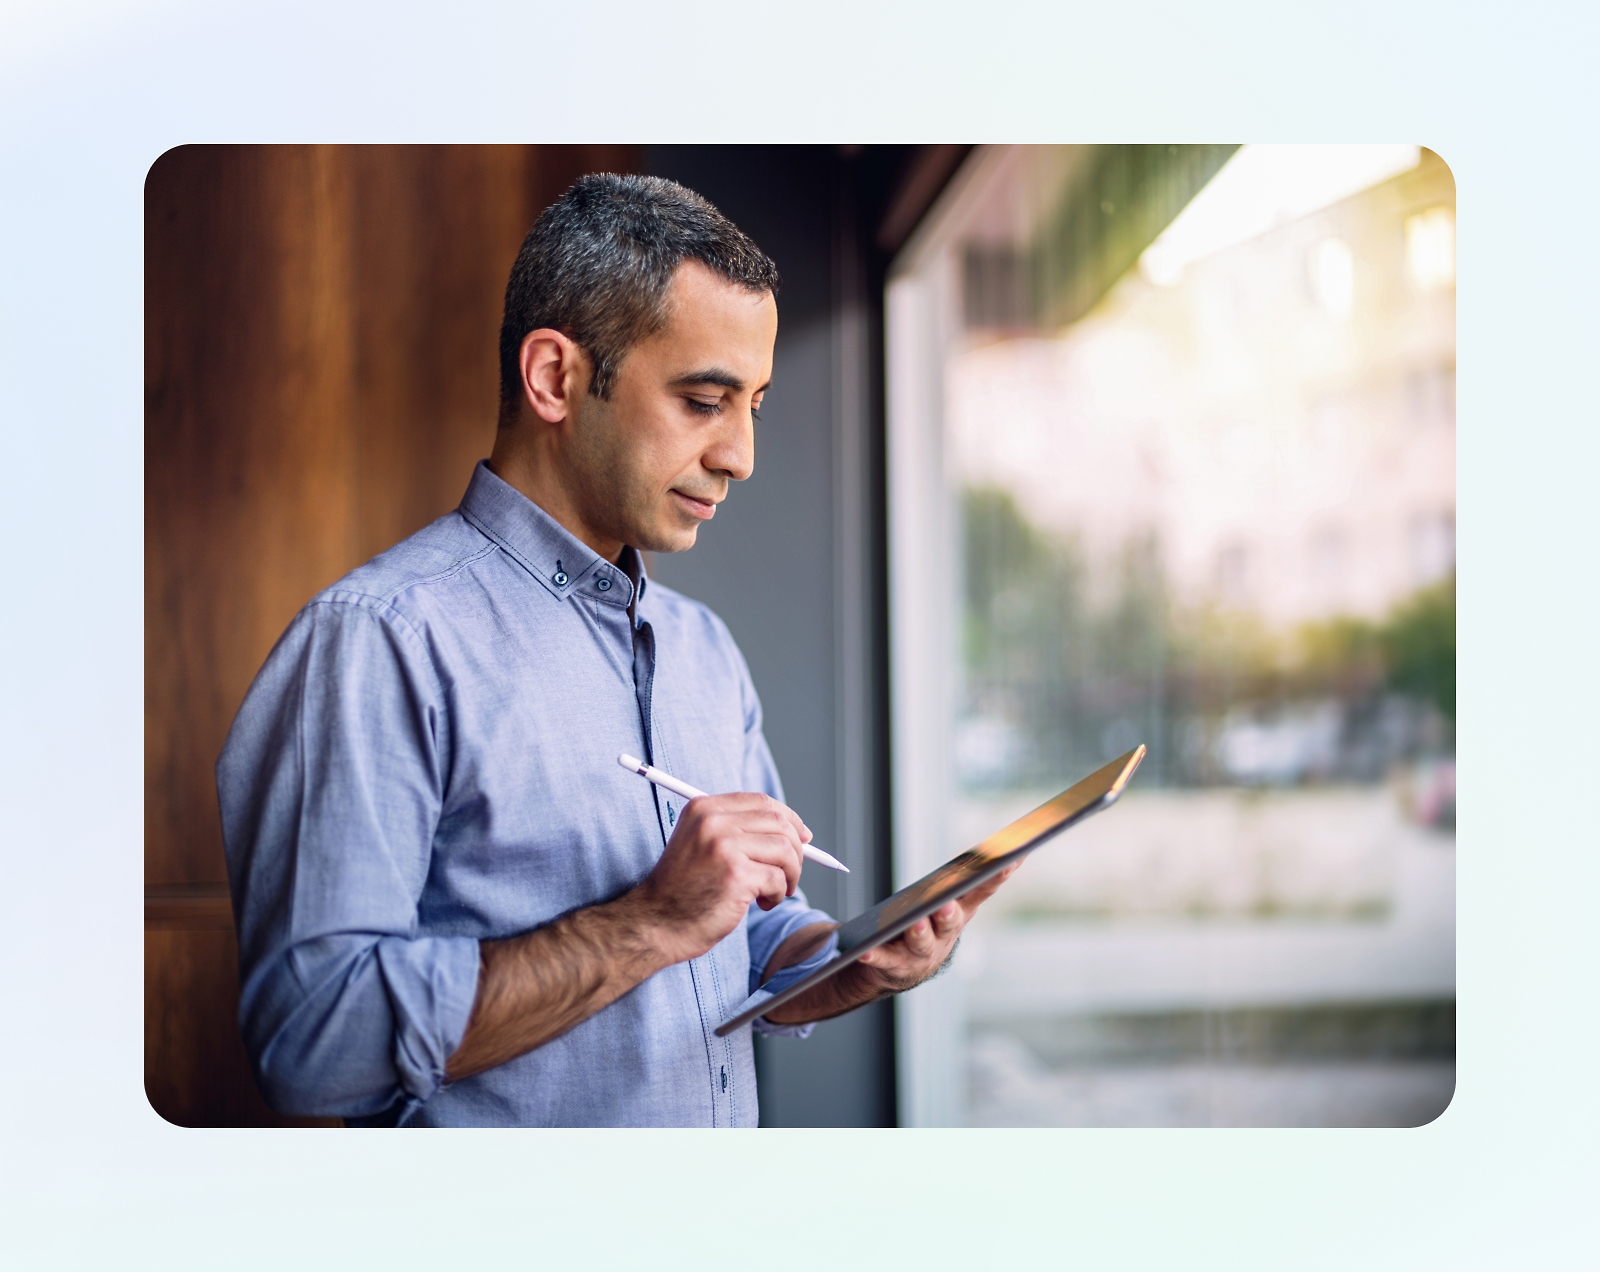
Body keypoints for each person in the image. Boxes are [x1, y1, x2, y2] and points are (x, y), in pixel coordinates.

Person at [217, 173, 1014, 1127]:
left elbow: (745, 945)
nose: (741, 455)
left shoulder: (704, 650)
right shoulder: (378, 643)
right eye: (704, 400)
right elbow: (314, 1045)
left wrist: (849, 963)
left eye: (752, 403)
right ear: (555, 377)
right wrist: (650, 922)